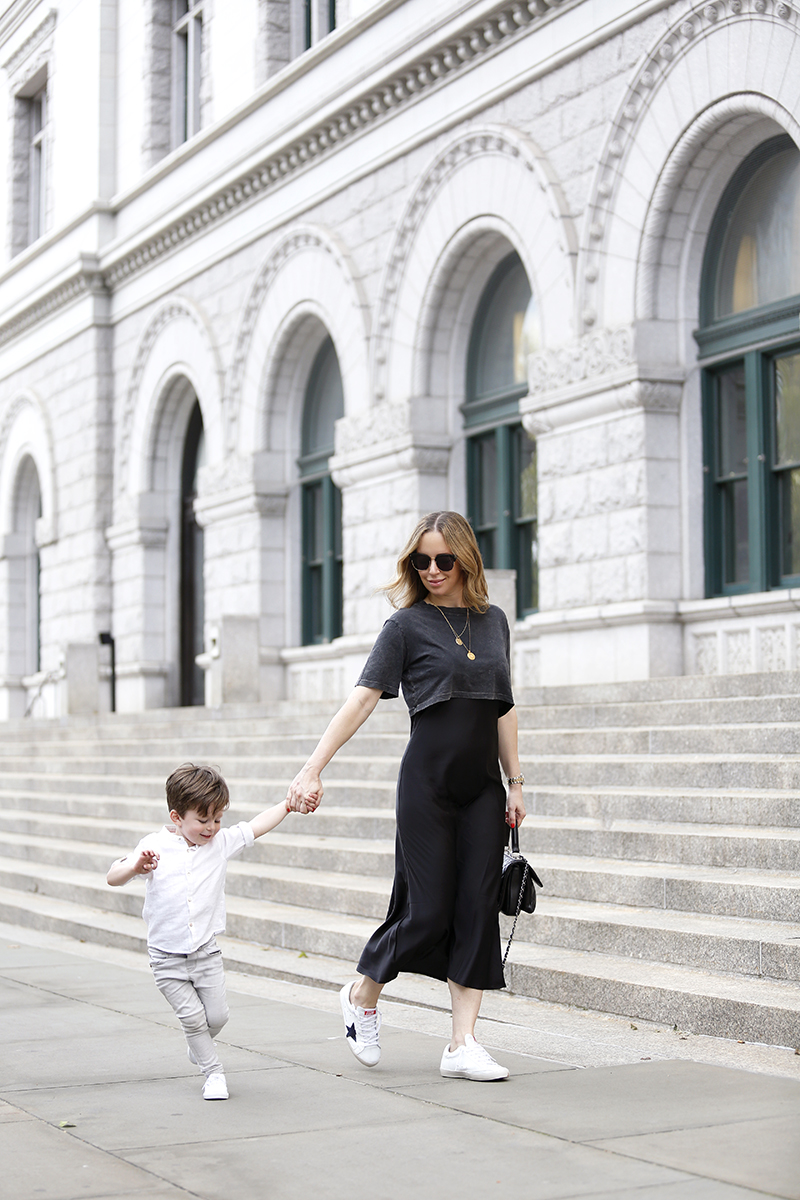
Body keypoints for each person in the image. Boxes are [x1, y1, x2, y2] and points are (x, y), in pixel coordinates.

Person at [286, 510, 525, 1082]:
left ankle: (462, 1044)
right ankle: (361, 994)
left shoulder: (493, 622)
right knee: (427, 910)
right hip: (427, 786)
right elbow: (363, 700)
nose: (434, 570)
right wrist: (312, 769)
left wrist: (515, 782)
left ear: (466, 558)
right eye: (422, 561)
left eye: (445, 559)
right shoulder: (405, 626)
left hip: (483, 792)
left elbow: (504, 705)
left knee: (475, 911)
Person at [107, 762, 298, 1100]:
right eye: (203, 820)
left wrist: (286, 804)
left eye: (217, 819)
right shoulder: (154, 846)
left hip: (205, 953)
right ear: (177, 817)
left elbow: (255, 826)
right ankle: (213, 1073)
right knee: (194, 1020)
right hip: (166, 957)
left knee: (217, 1017)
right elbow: (113, 876)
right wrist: (136, 866)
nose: (211, 828)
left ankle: (199, 1046)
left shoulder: (220, 843)